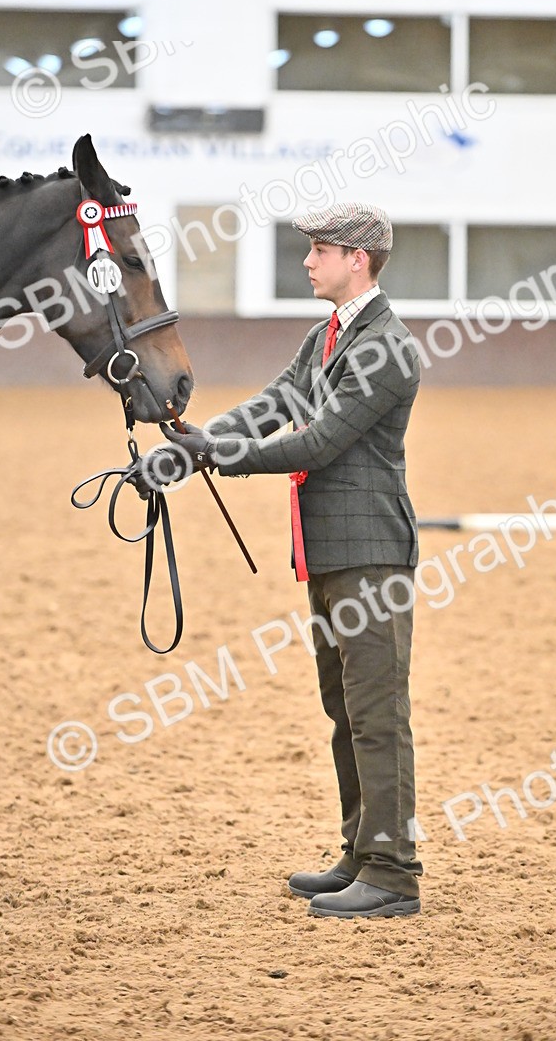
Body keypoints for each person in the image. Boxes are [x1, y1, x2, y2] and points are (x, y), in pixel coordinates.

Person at [152, 202, 423, 919]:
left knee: (377, 716)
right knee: (346, 712)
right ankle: (361, 852)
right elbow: (276, 405)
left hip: (371, 556)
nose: (307, 261)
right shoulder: (327, 336)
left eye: (320, 250)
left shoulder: (386, 348)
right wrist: (192, 445)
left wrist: (219, 458)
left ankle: (394, 874)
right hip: (333, 553)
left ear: (357, 259)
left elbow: (318, 441)